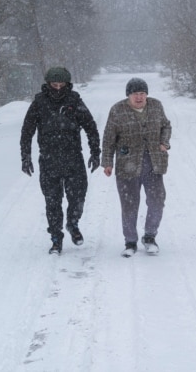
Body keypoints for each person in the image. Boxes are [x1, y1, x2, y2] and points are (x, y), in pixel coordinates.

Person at [20, 67, 101, 254]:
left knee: (78, 198)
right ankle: (56, 238)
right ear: (48, 84)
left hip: (73, 158)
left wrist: (95, 152)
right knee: (52, 202)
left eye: (61, 85)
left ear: (67, 84)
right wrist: (25, 157)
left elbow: (90, 127)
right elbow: (27, 132)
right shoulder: (39, 103)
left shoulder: (74, 101)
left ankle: (73, 224)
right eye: (54, 85)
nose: (57, 88)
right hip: (49, 161)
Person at [101, 77, 172, 257]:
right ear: (128, 95)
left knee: (157, 201)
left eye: (142, 94)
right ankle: (130, 242)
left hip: (153, 163)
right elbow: (109, 138)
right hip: (127, 165)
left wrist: (164, 142)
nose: (139, 97)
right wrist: (107, 162)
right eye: (135, 94)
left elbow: (166, 126)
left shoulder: (156, 106)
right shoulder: (117, 110)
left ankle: (149, 237)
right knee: (129, 205)